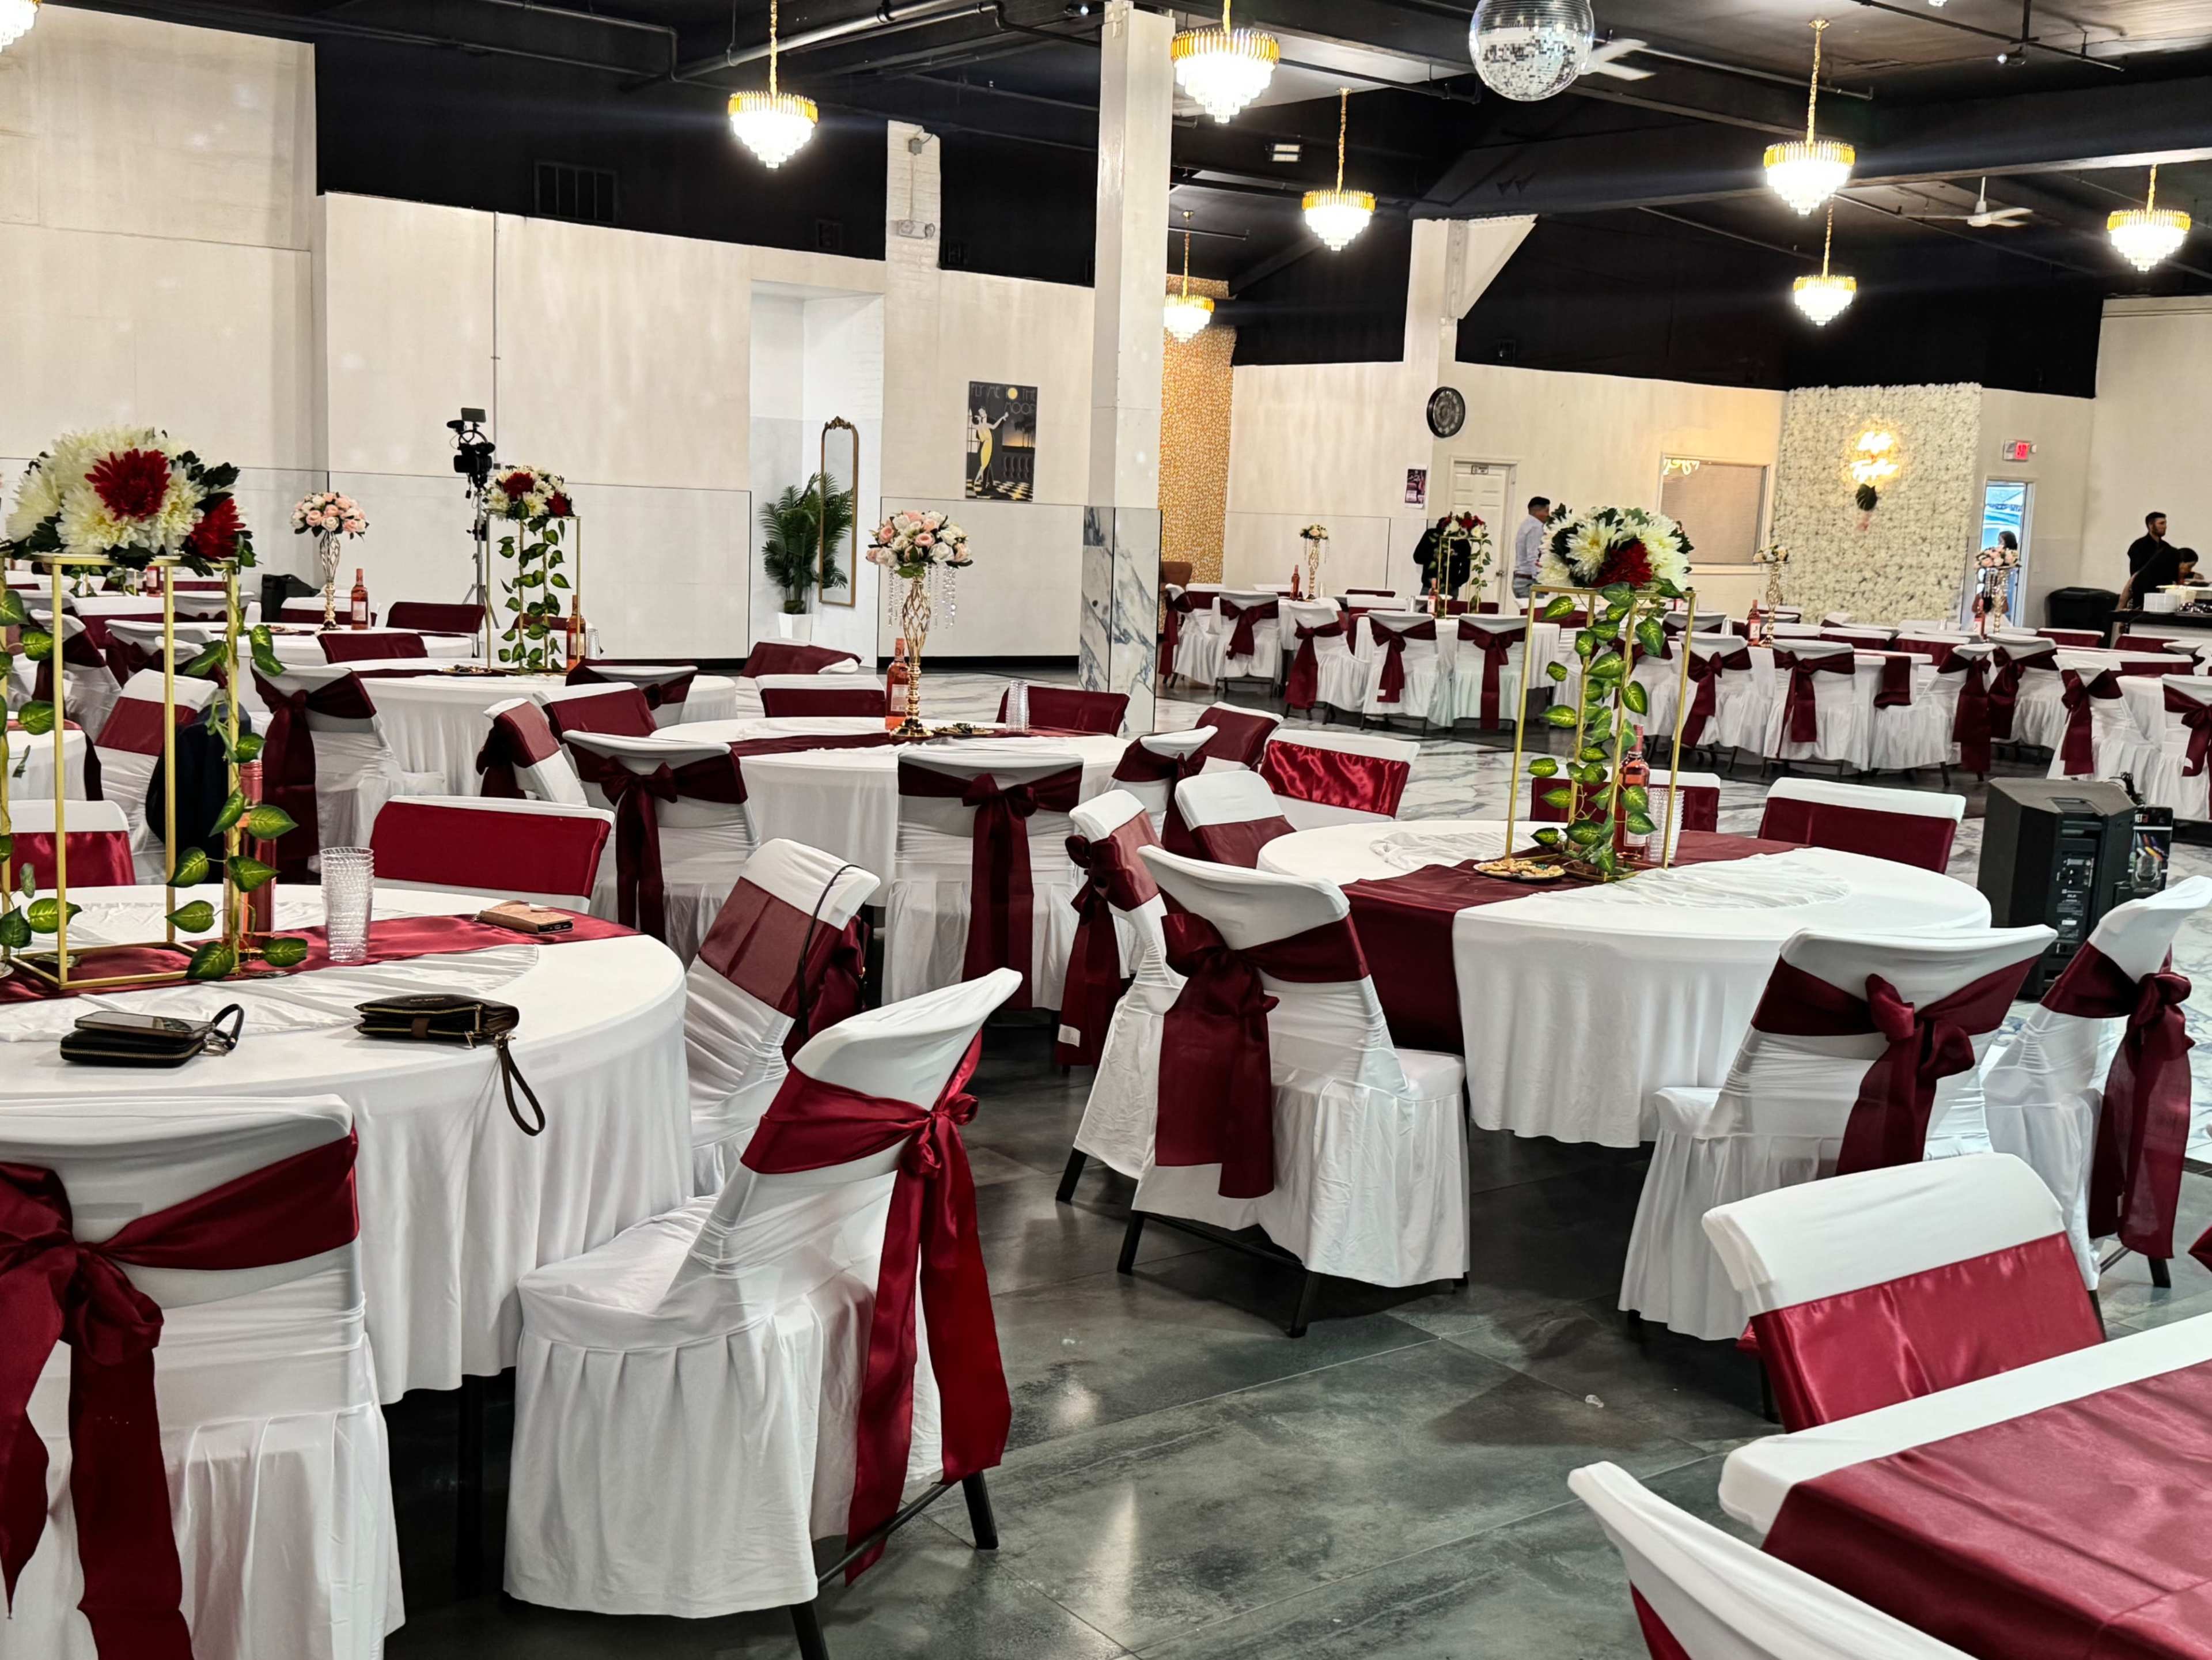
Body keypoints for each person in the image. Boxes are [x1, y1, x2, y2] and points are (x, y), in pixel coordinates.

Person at [2120, 511, 2180, 608]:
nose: (2165, 526)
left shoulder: (2168, 548)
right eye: (2161, 523)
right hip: (2143, 593)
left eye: (2165, 523)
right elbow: (2137, 572)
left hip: (2163, 596)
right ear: (2151, 525)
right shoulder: (2138, 546)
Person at [1512, 496, 1551, 603]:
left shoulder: (1526, 524)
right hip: (1528, 582)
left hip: (1520, 579)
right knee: (1535, 616)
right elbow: (1533, 556)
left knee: (1526, 615)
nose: (1548, 515)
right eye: (1547, 511)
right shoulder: (1536, 527)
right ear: (1538, 512)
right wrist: (1540, 582)